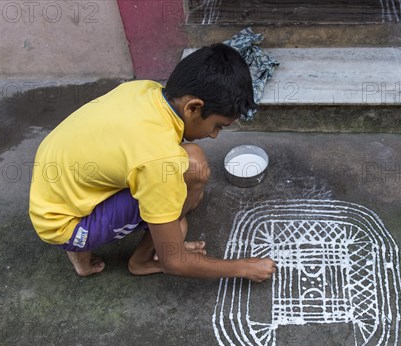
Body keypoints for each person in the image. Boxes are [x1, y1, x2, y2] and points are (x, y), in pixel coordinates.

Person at [28, 43, 276, 282]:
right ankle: (141, 262)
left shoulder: (143, 90)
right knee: (179, 219)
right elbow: (175, 263)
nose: (214, 135)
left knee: (192, 163)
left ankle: (82, 259)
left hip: (56, 191)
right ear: (193, 108)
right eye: (217, 126)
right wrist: (243, 267)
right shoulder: (159, 161)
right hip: (65, 225)